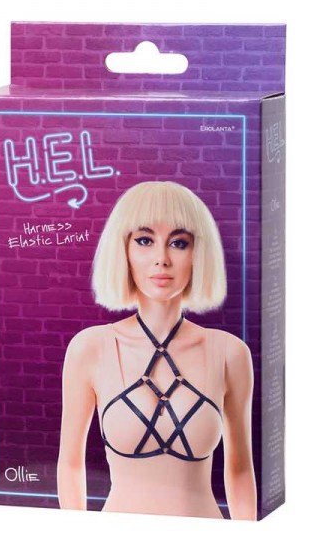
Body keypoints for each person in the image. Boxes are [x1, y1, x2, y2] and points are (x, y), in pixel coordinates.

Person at [56, 181, 256, 520]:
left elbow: (240, 471)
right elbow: (70, 464)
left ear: (198, 254)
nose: (162, 259)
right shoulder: (90, 348)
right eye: (145, 241)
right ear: (124, 250)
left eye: (179, 243)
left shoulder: (229, 353)